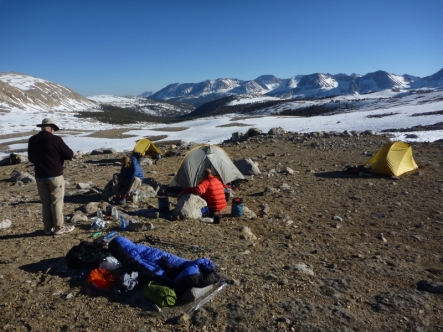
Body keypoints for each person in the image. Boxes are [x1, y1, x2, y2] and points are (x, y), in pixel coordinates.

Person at [28, 118, 75, 236]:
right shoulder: (56, 139)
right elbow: (69, 154)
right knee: (57, 202)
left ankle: (47, 228)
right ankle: (59, 227)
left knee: (45, 203)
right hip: (55, 174)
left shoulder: (33, 140)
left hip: (39, 175)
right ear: (52, 129)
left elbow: (30, 158)